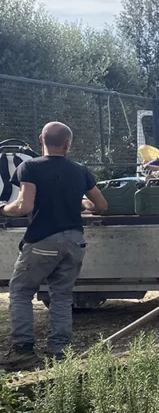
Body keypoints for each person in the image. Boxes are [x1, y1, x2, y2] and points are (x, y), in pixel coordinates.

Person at [1, 122, 108, 368]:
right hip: (74, 242)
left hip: (42, 241)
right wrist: (83, 203)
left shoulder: (29, 167)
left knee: (20, 291)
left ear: (41, 139)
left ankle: (24, 351)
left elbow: (23, 206)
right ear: (68, 144)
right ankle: (60, 351)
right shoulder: (80, 170)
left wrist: (2, 208)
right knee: (61, 295)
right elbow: (101, 205)